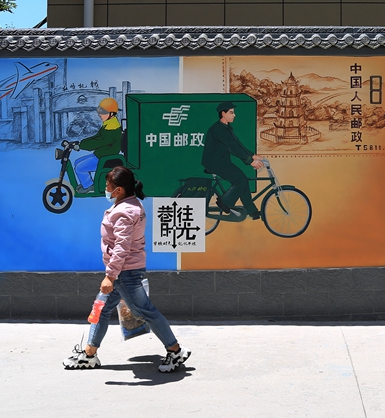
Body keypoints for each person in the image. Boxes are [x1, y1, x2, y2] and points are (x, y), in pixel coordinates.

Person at [63, 166, 192, 372]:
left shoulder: (124, 212)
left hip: (124, 273)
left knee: (145, 311)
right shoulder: (130, 205)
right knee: (102, 309)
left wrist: (110, 276)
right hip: (123, 271)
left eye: (108, 186)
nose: (106, 189)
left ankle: (175, 350)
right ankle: (89, 354)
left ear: (119, 190)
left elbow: (122, 247)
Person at [201, 102, 265, 219]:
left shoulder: (226, 127)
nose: (234, 115)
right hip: (215, 163)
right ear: (223, 113)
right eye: (231, 112)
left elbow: (237, 144)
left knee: (243, 179)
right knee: (240, 180)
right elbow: (233, 147)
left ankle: (251, 211)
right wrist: (250, 161)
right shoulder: (218, 129)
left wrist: (252, 155)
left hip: (222, 162)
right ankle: (224, 202)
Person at [73, 97, 123, 191]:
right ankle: (85, 183)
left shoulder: (112, 127)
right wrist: (81, 143)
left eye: (103, 112)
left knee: (79, 168)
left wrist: (81, 146)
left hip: (105, 157)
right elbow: (97, 137)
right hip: (101, 154)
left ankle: (89, 186)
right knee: (77, 162)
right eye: (100, 112)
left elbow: (100, 142)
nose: (100, 115)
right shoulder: (108, 124)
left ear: (112, 114)